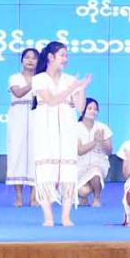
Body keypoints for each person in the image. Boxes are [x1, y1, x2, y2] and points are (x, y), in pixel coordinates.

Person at [30, 40, 90, 227]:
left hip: (66, 129)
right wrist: (72, 88)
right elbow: (51, 100)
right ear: (50, 57)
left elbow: (80, 107)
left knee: (67, 173)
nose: (65, 59)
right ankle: (48, 217)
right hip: (45, 130)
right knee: (46, 172)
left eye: (66, 55)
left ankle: (65, 217)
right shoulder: (39, 79)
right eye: (62, 55)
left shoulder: (70, 79)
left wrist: (81, 89)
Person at [6, 46, 39, 207]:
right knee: (17, 153)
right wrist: (33, 83)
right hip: (18, 117)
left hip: (36, 116)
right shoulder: (14, 77)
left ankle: (34, 196)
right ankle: (18, 196)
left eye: (34, 58)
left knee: (36, 153)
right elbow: (18, 93)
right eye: (27, 57)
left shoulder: (43, 78)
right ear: (22, 60)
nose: (30, 61)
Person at [75, 98, 114, 207]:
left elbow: (109, 151)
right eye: (90, 108)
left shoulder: (103, 128)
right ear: (83, 110)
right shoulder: (75, 128)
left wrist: (101, 142)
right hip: (79, 165)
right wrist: (95, 142)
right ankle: (83, 197)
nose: (93, 111)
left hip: (98, 163)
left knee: (95, 172)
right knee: (82, 191)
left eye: (95, 109)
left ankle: (97, 198)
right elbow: (79, 151)